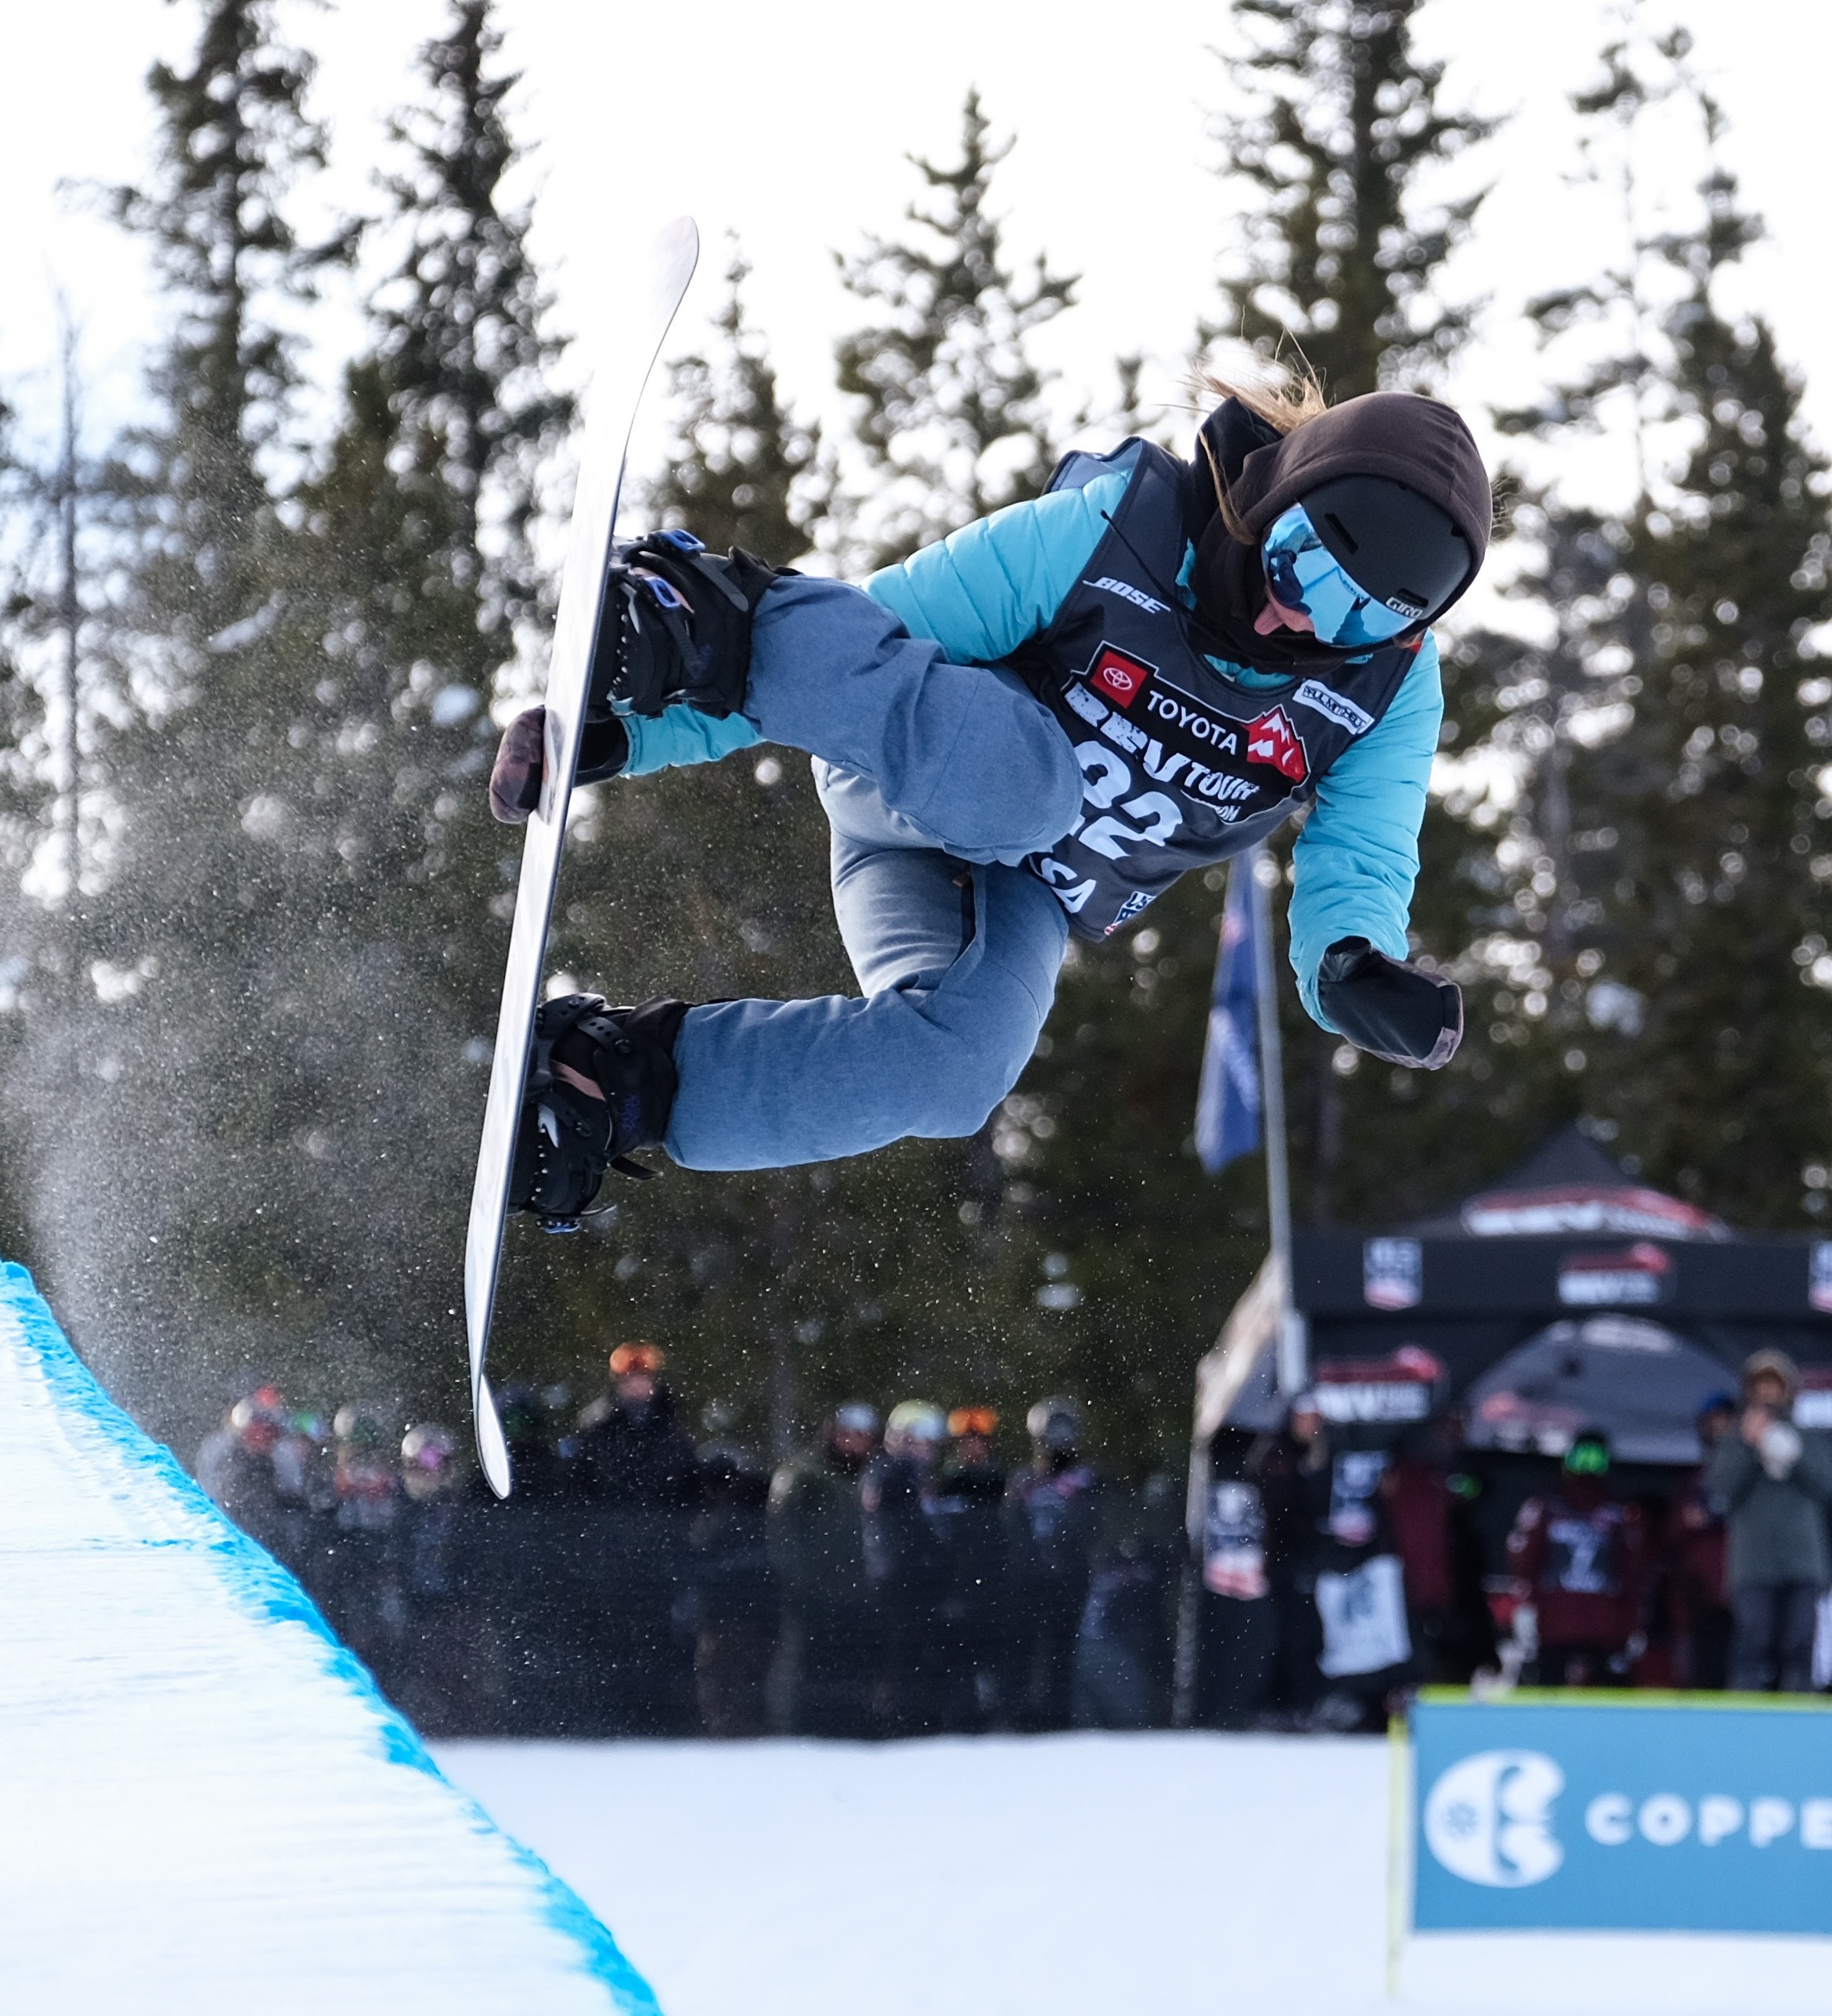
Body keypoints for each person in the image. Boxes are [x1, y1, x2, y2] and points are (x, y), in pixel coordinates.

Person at [489, 375, 1490, 1221]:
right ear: (1277, 493)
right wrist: (626, 727)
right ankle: (705, 618)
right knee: (1035, 789)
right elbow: (881, 627)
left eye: (1357, 613)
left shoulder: (1386, 690)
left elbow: (1358, 855)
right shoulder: (1123, 533)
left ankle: (613, 1079)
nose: (1298, 615)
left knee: (962, 1071)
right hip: (921, 765)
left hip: (1017, 889)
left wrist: (1351, 965)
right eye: (1301, 561)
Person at [1708, 1351, 1832, 1693]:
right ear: (1749, 1389)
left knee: (1801, 1639)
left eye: (1773, 1384)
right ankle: (1745, 1713)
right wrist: (1750, 1445)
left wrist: (1793, 1453)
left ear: (1787, 1390)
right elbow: (1721, 1490)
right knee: (1753, 1638)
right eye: (1760, 1384)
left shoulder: (1809, 1438)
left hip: (1804, 1560)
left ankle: (1799, 1710)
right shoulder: (1734, 1440)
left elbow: (1826, 1484)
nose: (1766, 1393)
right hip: (1753, 1562)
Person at [769, 1401, 882, 1737]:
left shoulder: (878, 1477)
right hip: (814, 1598)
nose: (854, 1442)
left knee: (858, 1669)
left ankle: (856, 1729)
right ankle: (807, 1734)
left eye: (862, 1435)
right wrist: (809, 1585)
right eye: (847, 1434)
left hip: (862, 1597)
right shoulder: (804, 1475)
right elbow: (784, 1538)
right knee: (811, 1670)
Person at [1504, 1430, 1648, 1689]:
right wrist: (1525, 1609)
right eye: (1581, 1458)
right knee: (1554, 1695)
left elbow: (1635, 1572)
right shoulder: (1546, 1509)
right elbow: (1523, 1563)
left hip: (1595, 1627)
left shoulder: (1620, 1515)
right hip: (1565, 1626)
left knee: (1600, 1699)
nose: (1587, 1467)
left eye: (1595, 1460)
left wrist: (1633, 1622)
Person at [1005, 1396, 1100, 1729]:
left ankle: (1059, 1719)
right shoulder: (1022, 1481)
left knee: (1063, 1654)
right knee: (1024, 1652)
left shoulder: (1088, 1480)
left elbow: (1097, 1527)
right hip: (1029, 1583)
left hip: (1071, 1581)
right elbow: (1010, 1527)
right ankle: (1020, 1720)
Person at [861, 1399, 952, 1735]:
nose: (925, 1448)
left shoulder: (912, 1475)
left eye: (930, 1441)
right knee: (902, 1663)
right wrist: (940, 1559)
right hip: (899, 1585)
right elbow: (910, 1532)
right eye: (917, 1439)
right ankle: (900, 1727)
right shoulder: (892, 1473)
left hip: (910, 1583)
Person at [930, 1405, 1011, 1729]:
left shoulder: (1004, 1482)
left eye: (980, 1440)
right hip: (954, 1588)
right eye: (967, 1440)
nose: (973, 1446)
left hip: (995, 1587)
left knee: (996, 1660)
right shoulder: (944, 1483)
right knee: (956, 1661)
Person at [572, 1342, 699, 1506]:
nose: (636, 1385)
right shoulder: (598, 1426)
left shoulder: (671, 1424)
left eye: (643, 1377)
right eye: (629, 1379)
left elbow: (688, 1480)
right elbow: (581, 1482)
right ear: (618, 1383)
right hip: (607, 1520)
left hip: (664, 1520)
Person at [1671, 1393, 1736, 1690]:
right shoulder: (1697, 1480)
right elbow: (1677, 1530)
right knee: (1701, 1675)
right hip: (1703, 1596)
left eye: (1724, 1423)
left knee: (1744, 1669)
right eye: (1711, 1424)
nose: (1717, 1431)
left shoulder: (1757, 1475)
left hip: (1746, 1592)